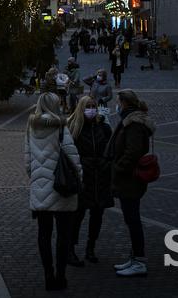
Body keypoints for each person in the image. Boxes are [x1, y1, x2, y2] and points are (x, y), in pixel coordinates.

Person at [25, 91, 82, 291]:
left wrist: (37, 178)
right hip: (62, 188)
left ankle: (48, 275)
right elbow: (72, 156)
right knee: (63, 235)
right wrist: (79, 177)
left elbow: (27, 162)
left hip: (41, 187)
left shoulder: (31, 127)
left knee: (44, 234)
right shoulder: (60, 127)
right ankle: (61, 275)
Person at [107, 89, 156, 277]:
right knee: (130, 219)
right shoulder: (131, 120)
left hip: (130, 180)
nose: (116, 105)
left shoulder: (134, 124)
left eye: (118, 102)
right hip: (128, 179)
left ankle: (139, 261)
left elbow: (133, 151)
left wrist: (118, 167)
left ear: (124, 103)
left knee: (133, 220)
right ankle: (134, 258)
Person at [67, 96, 112, 266]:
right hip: (82, 177)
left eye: (94, 106)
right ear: (81, 108)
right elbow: (69, 153)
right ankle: (70, 249)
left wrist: (105, 164)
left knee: (97, 215)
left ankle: (90, 248)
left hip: (100, 177)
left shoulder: (103, 128)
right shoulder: (74, 127)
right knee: (77, 215)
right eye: (88, 106)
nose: (91, 109)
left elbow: (110, 150)